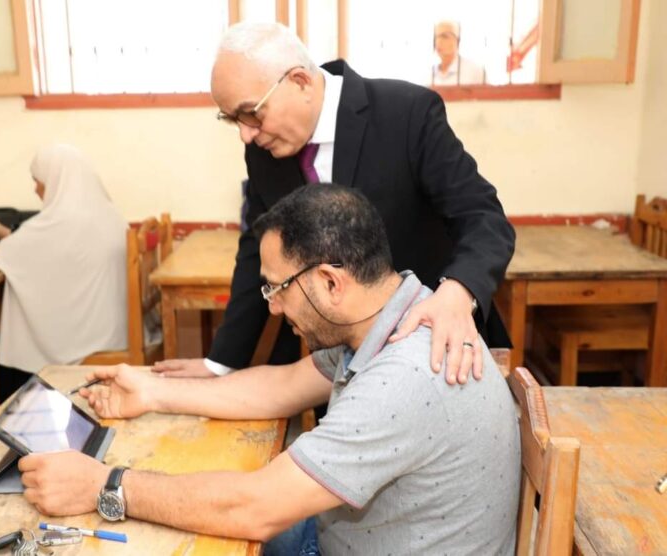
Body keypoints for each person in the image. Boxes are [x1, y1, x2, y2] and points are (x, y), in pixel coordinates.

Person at [18, 185, 521, 555]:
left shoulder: (404, 377)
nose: (274, 307)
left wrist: (105, 485)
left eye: (277, 288)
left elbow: (255, 507)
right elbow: (283, 384)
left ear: (331, 282)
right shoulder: (397, 311)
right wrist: (152, 391)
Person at [154, 22, 514, 384]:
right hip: (334, 365)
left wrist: (457, 292)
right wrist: (221, 362)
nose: (246, 134)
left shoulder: (405, 113)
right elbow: (257, 251)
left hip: (433, 348)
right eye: (233, 120)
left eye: (251, 113)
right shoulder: (262, 152)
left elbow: (483, 217)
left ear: (300, 81)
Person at [0, 144, 128, 400]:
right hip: (111, 328)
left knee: (15, 332)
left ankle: (15, 405)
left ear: (55, 180)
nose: (36, 189)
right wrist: (8, 234)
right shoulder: (107, 212)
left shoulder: (64, 220)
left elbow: (8, 254)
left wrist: (6, 238)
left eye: (38, 181)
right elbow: (45, 248)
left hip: (89, 340)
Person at [431, 20, 487, 86]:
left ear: (458, 40)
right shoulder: (428, 74)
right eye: (436, 37)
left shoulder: (475, 71)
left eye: (444, 36)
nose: (438, 41)